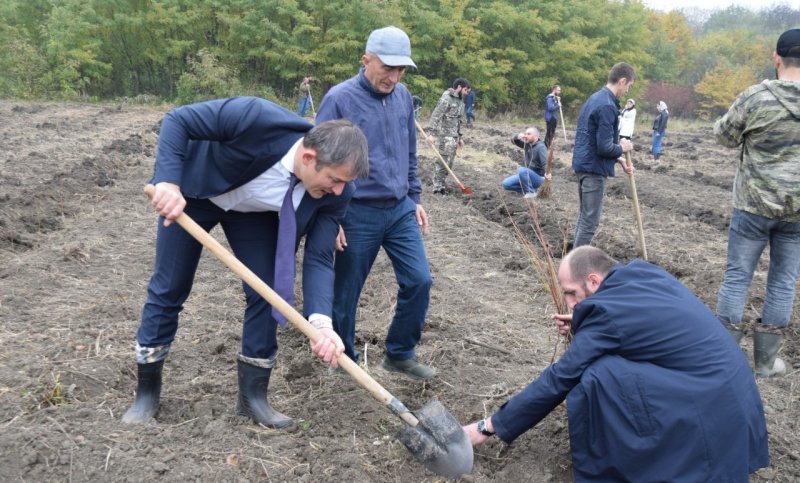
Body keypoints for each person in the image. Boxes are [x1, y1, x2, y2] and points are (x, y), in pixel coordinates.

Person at [122, 97, 370, 428]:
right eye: (335, 180)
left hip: (252, 214)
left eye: (345, 183)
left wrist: (322, 325)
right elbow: (178, 120)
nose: (340, 191)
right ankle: (146, 394)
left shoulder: (338, 194)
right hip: (197, 196)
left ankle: (253, 399)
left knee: (267, 293)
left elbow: (320, 257)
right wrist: (169, 181)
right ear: (309, 158)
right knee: (170, 286)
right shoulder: (255, 118)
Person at [463, 246, 770, 482]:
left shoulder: (605, 316)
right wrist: (584, 321)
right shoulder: (643, 273)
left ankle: (640, 460)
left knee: (598, 374)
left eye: (571, 293)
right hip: (735, 405)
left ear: (593, 280)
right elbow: (640, 325)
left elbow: (560, 377)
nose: (569, 302)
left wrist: (488, 427)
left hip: (706, 410)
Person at [315, 26, 436, 380]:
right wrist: (328, 217)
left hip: (398, 208)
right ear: (366, 60)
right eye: (387, 68)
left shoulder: (402, 97)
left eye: (401, 70)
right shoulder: (339, 99)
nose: (394, 77)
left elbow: (409, 151)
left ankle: (399, 353)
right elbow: (319, 160)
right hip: (355, 210)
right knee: (346, 291)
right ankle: (344, 359)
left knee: (419, 280)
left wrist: (414, 198)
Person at [714, 27, 800, 378]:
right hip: (796, 212)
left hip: (751, 206)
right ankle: (765, 363)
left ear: (776, 58)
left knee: (737, 276)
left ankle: (723, 358)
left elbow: (724, 136)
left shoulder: (755, 97)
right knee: (783, 282)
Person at [571, 63, 636, 248]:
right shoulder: (607, 106)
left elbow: (592, 138)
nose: (627, 90)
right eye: (629, 85)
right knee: (589, 223)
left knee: (585, 218)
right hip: (593, 169)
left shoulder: (595, 98)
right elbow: (604, 147)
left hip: (583, 164)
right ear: (622, 81)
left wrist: (619, 158)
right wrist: (621, 147)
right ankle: (575, 270)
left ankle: (572, 263)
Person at [427, 77, 470, 194]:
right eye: (465, 90)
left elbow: (458, 120)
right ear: (459, 87)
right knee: (443, 161)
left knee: (449, 163)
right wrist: (431, 133)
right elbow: (436, 115)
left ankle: (442, 185)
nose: (466, 93)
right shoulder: (447, 98)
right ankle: (437, 188)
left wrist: (459, 137)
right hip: (445, 136)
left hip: (454, 137)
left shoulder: (460, 102)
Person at [501, 126, 551, 199]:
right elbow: (513, 140)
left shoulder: (541, 147)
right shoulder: (527, 144)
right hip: (527, 176)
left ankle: (531, 192)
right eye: (525, 134)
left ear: (536, 136)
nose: (525, 136)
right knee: (506, 184)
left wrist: (547, 174)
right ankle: (531, 190)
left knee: (521, 170)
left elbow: (546, 163)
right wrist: (518, 136)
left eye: (528, 134)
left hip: (538, 178)